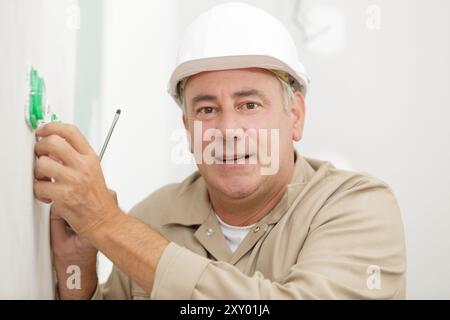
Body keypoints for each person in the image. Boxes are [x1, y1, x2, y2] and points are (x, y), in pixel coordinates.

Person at [33, 3, 406, 299]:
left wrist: (106, 223)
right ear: (188, 129)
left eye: (249, 105)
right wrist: (76, 271)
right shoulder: (151, 218)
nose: (228, 131)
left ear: (295, 116)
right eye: (207, 110)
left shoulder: (358, 208)